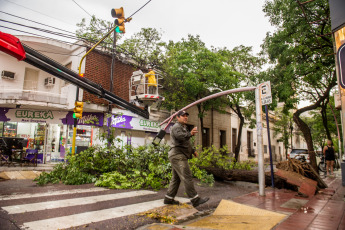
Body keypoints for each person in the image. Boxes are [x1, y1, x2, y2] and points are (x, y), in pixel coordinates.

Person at [164, 110, 209, 207]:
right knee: (187, 176)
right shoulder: (176, 127)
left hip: (179, 155)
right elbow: (180, 137)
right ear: (178, 117)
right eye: (183, 116)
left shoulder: (183, 128)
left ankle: (168, 198)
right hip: (177, 155)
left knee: (176, 178)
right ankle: (195, 199)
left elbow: (186, 142)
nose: (185, 117)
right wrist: (190, 134)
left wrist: (193, 151)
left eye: (186, 116)